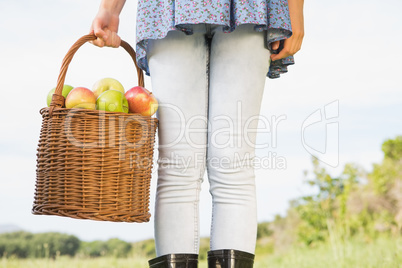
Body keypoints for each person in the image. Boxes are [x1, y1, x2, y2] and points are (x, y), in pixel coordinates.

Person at [90, 0, 304, 267]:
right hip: (169, 8)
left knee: (233, 163)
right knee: (179, 165)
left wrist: (295, 11)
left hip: (250, 6)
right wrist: (110, 8)